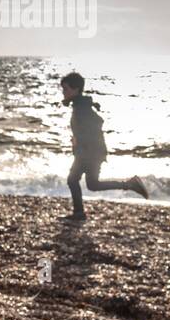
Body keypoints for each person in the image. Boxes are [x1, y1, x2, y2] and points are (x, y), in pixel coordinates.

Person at [60, 71, 147, 222]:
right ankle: (130, 184)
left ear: (76, 89)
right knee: (92, 184)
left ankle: (79, 213)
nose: (63, 92)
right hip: (90, 152)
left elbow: (97, 122)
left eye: (66, 89)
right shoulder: (80, 104)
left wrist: (80, 139)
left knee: (73, 180)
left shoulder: (82, 107)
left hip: (89, 153)